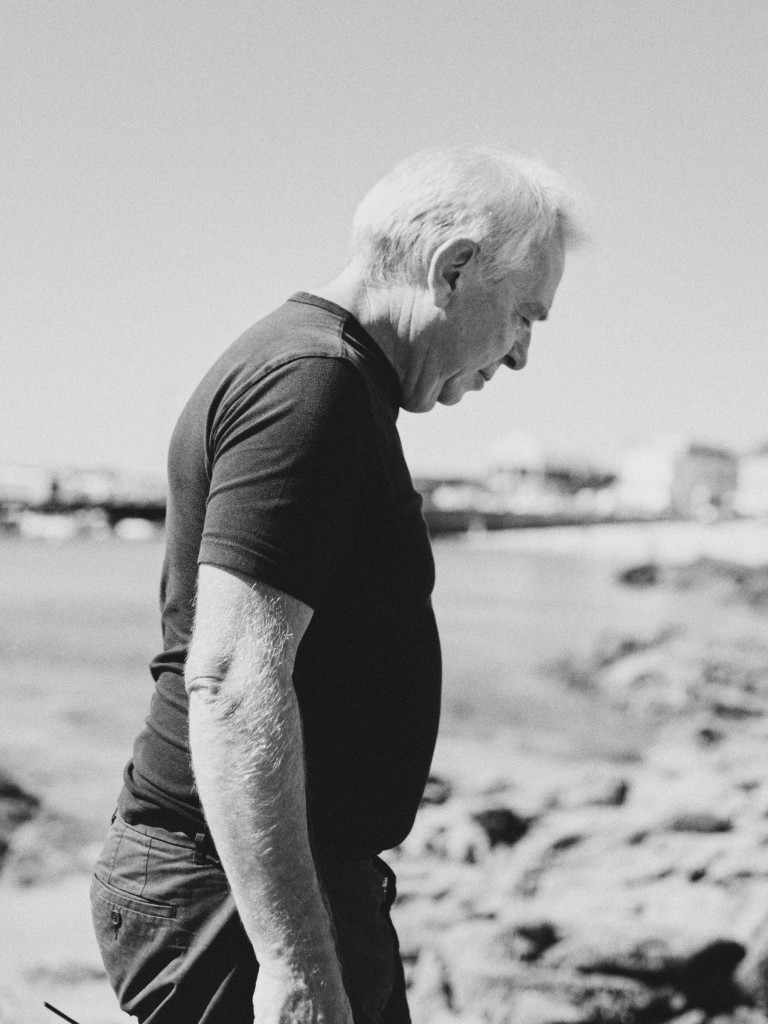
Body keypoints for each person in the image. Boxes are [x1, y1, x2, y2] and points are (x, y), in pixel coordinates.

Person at [90, 146, 581, 1023]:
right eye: (523, 316)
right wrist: (296, 966)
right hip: (231, 898)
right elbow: (231, 680)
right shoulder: (312, 384)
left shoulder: (327, 375)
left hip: (256, 883)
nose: (521, 357)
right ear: (453, 268)